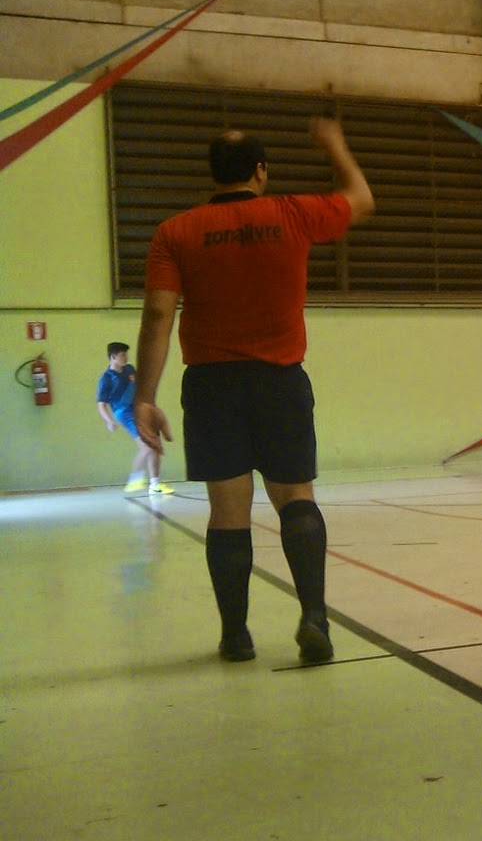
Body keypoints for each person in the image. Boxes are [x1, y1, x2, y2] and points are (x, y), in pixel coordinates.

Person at [133, 118, 375, 665]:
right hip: (280, 381)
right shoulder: (292, 213)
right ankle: (314, 617)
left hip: (212, 386)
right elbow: (361, 199)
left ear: (212, 175)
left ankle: (236, 636)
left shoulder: (176, 232)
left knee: (227, 511)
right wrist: (336, 144)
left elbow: (157, 315)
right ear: (261, 172)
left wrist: (144, 395)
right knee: (295, 497)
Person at [98, 341, 171, 495]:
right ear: (113, 357)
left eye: (126, 354)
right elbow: (101, 405)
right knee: (147, 446)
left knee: (155, 445)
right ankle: (135, 479)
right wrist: (109, 421)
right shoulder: (107, 378)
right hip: (124, 413)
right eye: (122, 355)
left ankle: (155, 484)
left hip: (140, 410)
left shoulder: (130, 369)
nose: (126, 357)